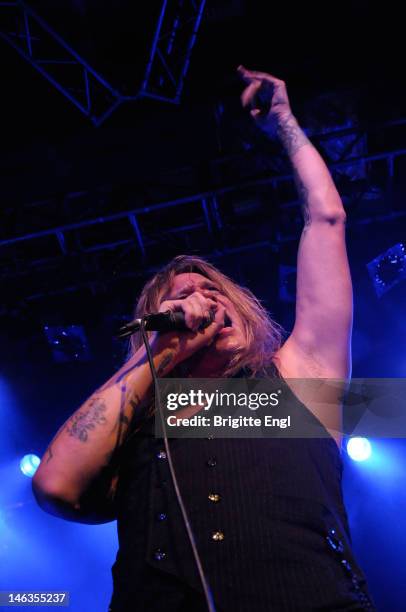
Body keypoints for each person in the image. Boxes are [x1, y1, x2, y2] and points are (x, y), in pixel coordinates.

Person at [32, 67, 376, 611]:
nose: (201, 303)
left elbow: (326, 218)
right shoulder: (137, 421)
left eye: (212, 292)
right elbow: (54, 485)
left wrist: (284, 123)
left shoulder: (299, 377)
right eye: (181, 299)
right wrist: (158, 354)